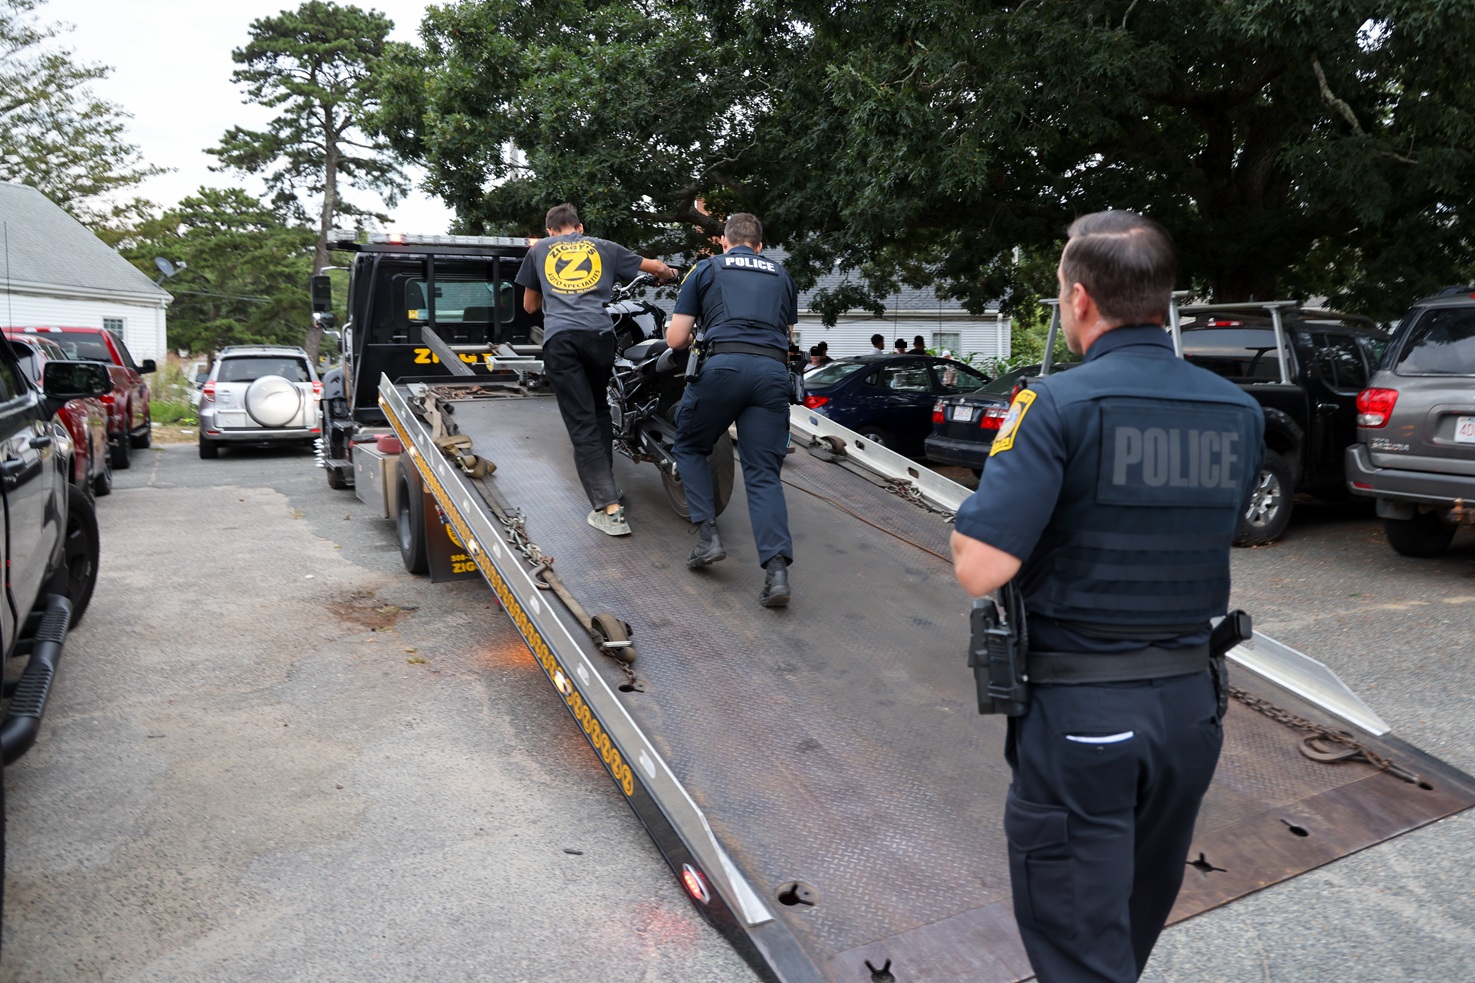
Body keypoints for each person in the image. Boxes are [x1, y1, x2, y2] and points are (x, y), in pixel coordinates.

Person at [950, 210, 1263, 983]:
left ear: (1080, 299)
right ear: (1161, 299)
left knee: (1079, 950)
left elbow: (980, 567)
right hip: (1189, 713)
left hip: (1083, 717)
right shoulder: (1238, 410)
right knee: (1124, 927)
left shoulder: (1055, 405)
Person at [516, 204, 674, 537]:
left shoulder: (539, 250)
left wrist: (556, 295)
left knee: (582, 422)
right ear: (580, 228)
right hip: (599, 337)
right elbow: (656, 267)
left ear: (550, 231)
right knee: (600, 410)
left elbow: (529, 306)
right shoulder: (603, 247)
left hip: (563, 342)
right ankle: (608, 487)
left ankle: (609, 510)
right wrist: (669, 274)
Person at [666, 212, 798, 608]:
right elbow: (787, 334)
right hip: (772, 374)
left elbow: (676, 340)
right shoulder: (782, 275)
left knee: (690, 445)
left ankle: (708, 537)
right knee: (763, 474)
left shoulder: (706, 269)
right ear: (760, 246)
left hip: (723, 368)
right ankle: (777, 572)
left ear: (724, 242)